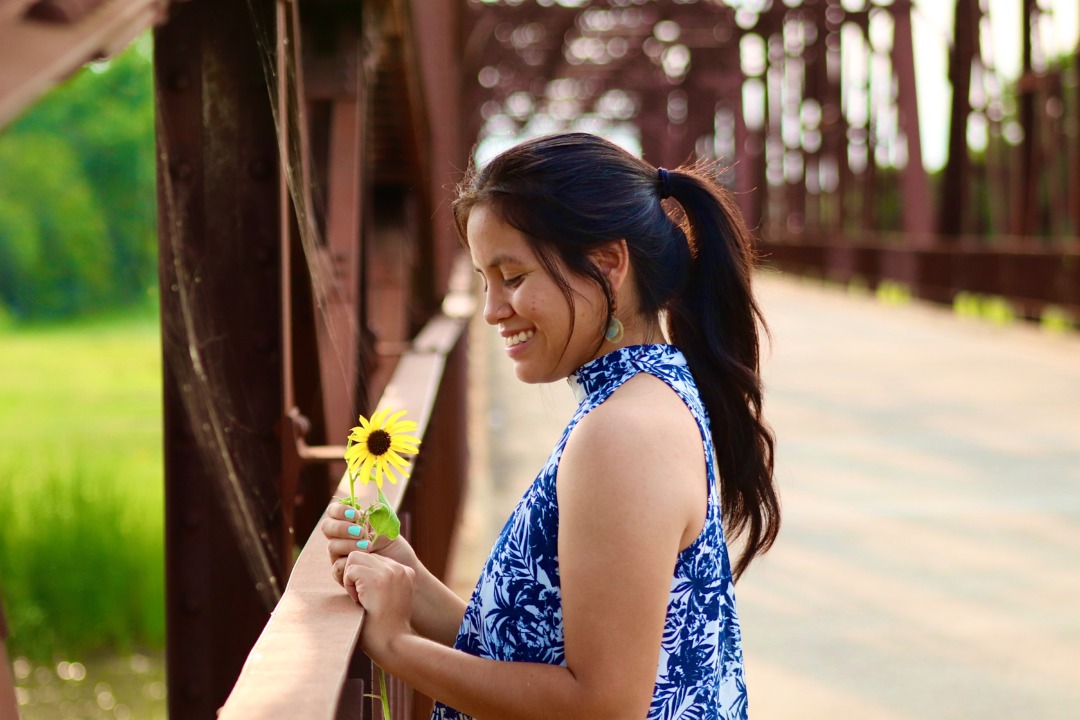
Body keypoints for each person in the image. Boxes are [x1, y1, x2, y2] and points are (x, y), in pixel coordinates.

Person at [322, 132, 780, 719]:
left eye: (512, 277)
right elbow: (537, 654)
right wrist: (409, 577)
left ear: (608, 264)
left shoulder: (625, 434)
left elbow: (600, 706)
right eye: (486, 281)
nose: (492, 310)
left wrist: (397, 647)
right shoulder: (645, 401)